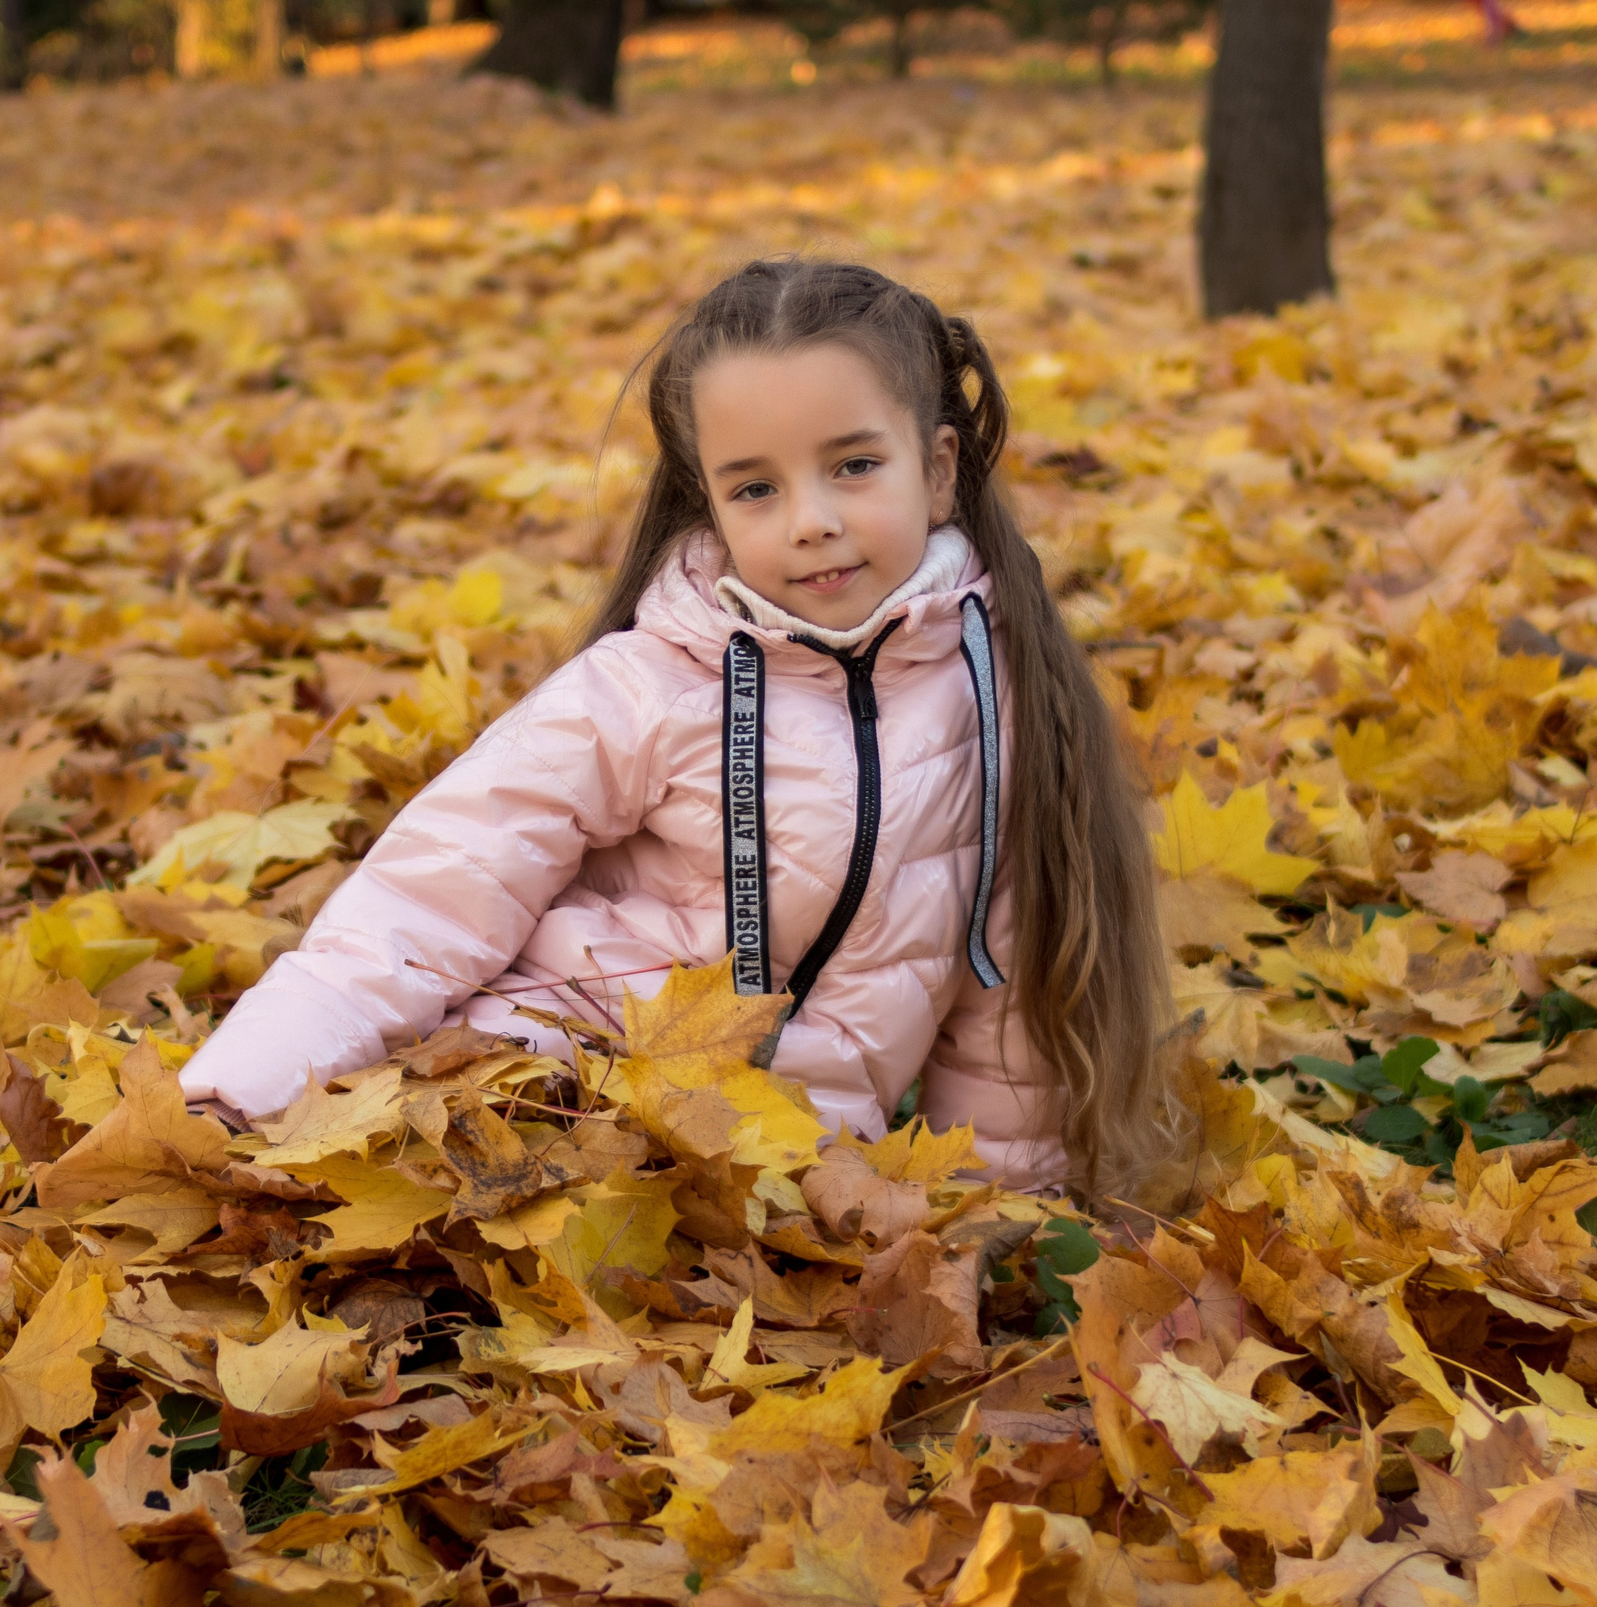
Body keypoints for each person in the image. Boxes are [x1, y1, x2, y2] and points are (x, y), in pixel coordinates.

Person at [177, 260, 1184, 1201]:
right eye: (756, 487)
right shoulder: (649, 684)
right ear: (708, 499)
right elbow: (429, 892)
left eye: (853, 466)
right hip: (543, 1095)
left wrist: (992, 1212)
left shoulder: (1000, 696)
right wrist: (244, 1092)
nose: (809, 519)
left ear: (937, 469)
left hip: (779, 1169)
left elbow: (1006, 989)